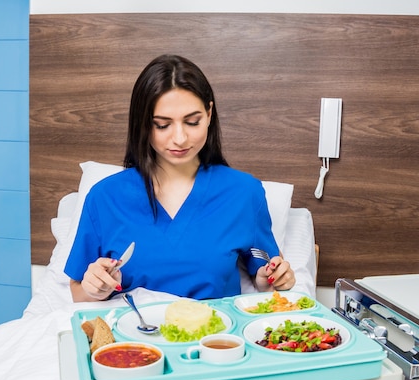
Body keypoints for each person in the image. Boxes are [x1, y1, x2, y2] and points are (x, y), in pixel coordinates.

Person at [64, 54, 296, 302]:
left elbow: (264, 269)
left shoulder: (244, 192)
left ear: (209, 114)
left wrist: (271, 279)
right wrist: (96, 288)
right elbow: (78, 290)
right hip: (134, 337)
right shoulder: (105, 198)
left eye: (192, 122)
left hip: (214, 338)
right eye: (162, 125)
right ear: (142, 124)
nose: (180, 138)